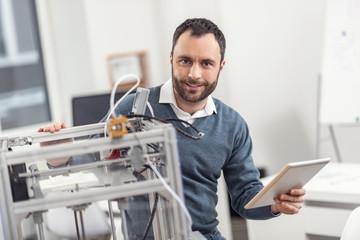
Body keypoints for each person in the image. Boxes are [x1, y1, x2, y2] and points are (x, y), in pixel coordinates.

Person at [39, 18, 305, 239]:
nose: (194, 74)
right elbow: (89, 155)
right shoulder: (134, 107)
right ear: (171, 59)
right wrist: (58, 153)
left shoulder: (231, 124)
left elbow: (245, 196)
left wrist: (274, 203)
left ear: (221, 67)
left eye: (207, 63)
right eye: (185, 61)